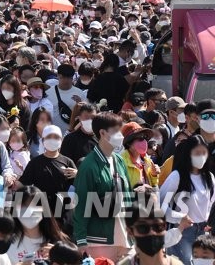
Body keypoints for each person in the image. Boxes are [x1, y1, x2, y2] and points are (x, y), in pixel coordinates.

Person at [72, 111, 133, 261]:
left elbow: (128, 196)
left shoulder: (119, 160)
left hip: (123, 234)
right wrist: (81, 239)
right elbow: (81, 204)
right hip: (99, 237)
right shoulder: (88, 165)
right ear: (102, 133)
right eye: (116, 131)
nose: (121, 135)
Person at [159, 135, 213, 265]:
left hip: (203, 231)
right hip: (182, 230)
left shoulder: (209, 177)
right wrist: (179, 218)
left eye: (203, 153)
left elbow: (211, 203)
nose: (201, 156)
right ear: (188, 154)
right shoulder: (176, 176)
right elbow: (160, 205)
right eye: (197, 153)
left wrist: (209, 222)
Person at [18, 124, 77, 217]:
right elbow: (22, 183)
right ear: (43, 140)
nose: (52, 139)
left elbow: (78, 185)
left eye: (56, 137)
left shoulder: (68, 161)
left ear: (61, 141)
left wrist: (78, 175)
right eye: (49, 137)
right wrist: (9, 182)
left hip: (63, 211)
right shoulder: (34, 163)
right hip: (42, 210)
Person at [8, 185, 69, 263]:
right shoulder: (6, 243)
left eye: (35, 205)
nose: (29, 211)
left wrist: (59, 256)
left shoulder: (59, 241)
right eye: (24, 206)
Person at [121, 122, 161, 188]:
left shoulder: (146, 159)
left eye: (145, 137)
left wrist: (154, 175)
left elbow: (153, 184)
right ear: (129, 143)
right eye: (140, 138)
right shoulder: (121, 162)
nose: (144, 141)